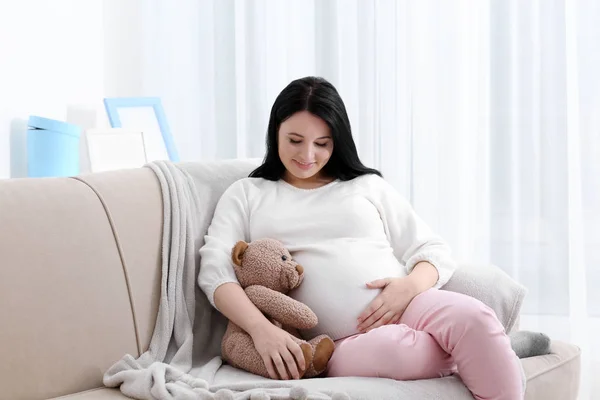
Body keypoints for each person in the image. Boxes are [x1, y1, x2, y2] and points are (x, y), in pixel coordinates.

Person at [198, 76, 523, 400]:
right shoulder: (248, 194)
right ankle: (497, 349)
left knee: (477, 318)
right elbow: (216, 271)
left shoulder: (365, 185)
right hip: (334, 342)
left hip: (410, 304)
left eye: (321, 143)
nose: (307, 155)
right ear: (275, 133)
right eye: (294, 140)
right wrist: (261, 329)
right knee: (403, 351)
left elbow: (431, 249)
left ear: (337, 141)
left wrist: (408, 287)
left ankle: (489, 348)